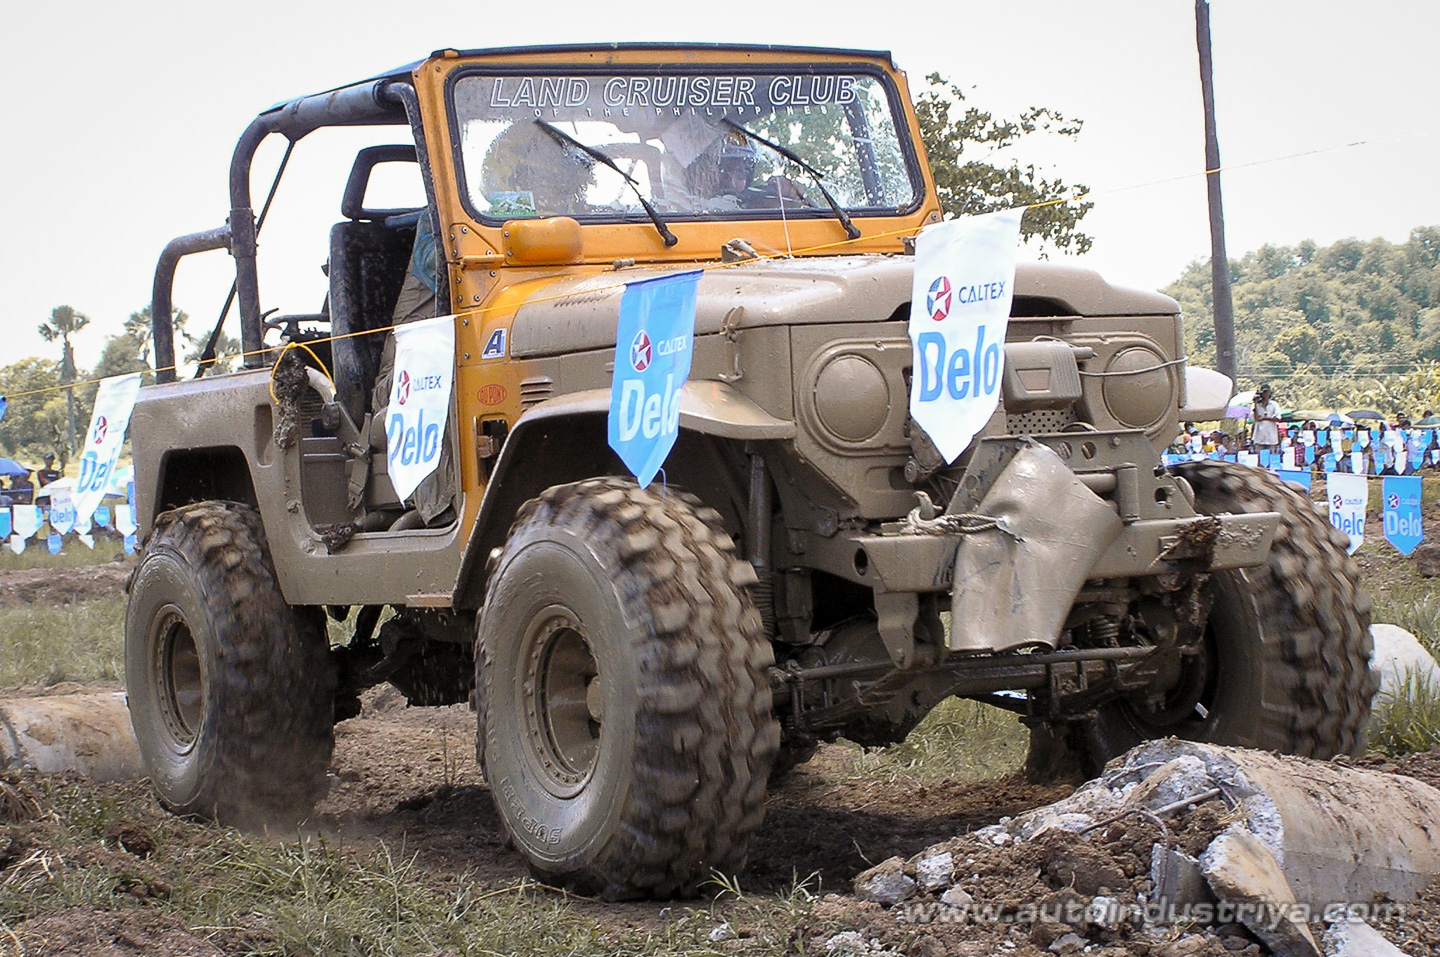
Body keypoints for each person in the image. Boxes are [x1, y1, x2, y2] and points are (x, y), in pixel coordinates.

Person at [1251, 384, 1281, 453]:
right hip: (1259, 436)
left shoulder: (1274, 405)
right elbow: (1256, 419)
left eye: (1267, 392)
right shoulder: (1256, 405)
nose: (1265, 394)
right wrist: (1255, 403)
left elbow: (1278, 418)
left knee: (1271, 455)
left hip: (1271, 436)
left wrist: (1264, 418)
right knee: (1258, 456)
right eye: (1264, 392)